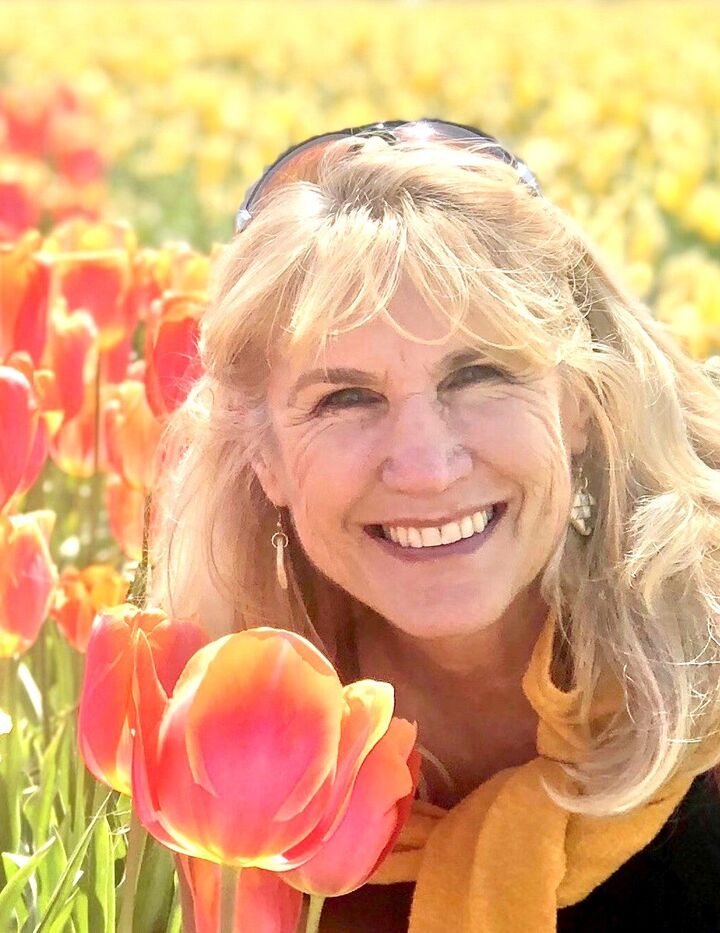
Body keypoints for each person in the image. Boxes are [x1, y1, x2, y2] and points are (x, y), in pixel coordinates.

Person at [151, 120, 720, 931]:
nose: (426, 466)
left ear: (579, 404)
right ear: (265, 456)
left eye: (479, 373)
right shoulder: (221, 776)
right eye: (346, 397)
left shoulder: (707, 698)